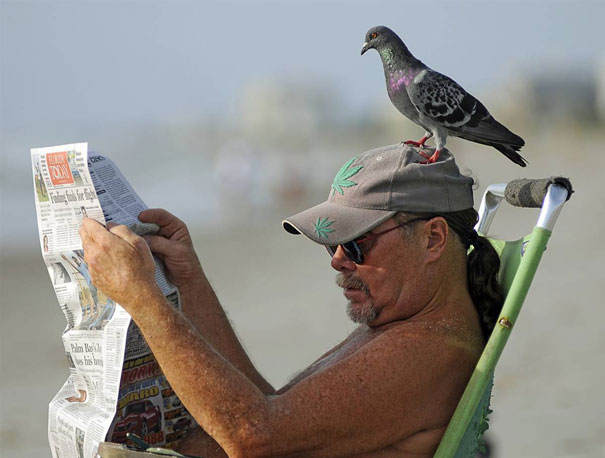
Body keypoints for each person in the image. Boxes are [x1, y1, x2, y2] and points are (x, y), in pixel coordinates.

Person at [79, 144, 503, 457]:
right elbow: (270, 409)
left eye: (356, 244)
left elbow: (253, 437)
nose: (338, 261)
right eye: (332, 244)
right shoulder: (405, 326)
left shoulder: (428, 350)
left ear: (433, 239)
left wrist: (143, 298)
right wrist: (189, 281)